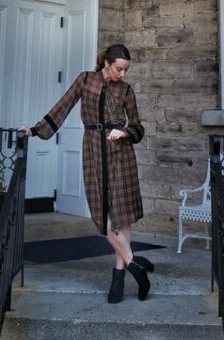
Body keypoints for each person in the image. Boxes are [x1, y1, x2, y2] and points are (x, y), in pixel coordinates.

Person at [20, 43, 154, 303]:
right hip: (94, 150)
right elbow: (63, 106)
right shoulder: (86, 80)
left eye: (126, 70)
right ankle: (135, 263)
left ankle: (118, 278)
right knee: (103, 215)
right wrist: (35, 131)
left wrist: (125, 132)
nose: (122, 74)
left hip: (121, 154)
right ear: (106, 63)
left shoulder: (126, 90)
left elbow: (138, 127)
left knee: (122, 217)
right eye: (119, 69)